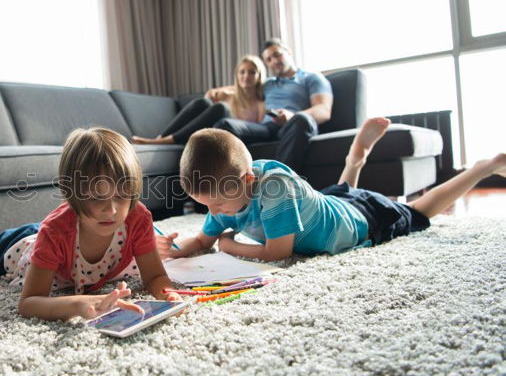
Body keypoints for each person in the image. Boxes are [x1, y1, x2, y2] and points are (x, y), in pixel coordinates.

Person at [156, 119, 506, 262]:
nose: (214, 213)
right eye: (206, 206)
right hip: (327, 205)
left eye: (217, 205)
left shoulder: (276, 192)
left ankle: (480, 168)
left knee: (419, 211)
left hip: (360, 222)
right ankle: (356, 159)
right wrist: (172, 251)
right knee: (337, 194)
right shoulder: (225, 195)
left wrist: (229, 245)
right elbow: (202, 240)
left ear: (248, 182)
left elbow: (278, 253)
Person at [0, 127, 181, 321]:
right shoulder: (55, 232)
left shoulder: (137, 217)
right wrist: (82, 304)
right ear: (72, 194)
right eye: (96, 198)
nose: (111, 210)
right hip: (25, 245)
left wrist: (167, 293)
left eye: (121, 196)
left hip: (62, 236)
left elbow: (155, 275)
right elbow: (29, 302)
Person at [213, 38, 333, 173]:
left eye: (277, 55)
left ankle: (278, 182)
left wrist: (292, 116)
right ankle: (225, 187)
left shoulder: (311, 78)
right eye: (269, 59)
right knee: (224, 125)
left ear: (288, 52)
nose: (274, 61)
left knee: (301, 119)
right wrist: (218, 92)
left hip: (295, 125)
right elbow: (242, 85)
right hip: (267, 127)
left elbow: (324, 110)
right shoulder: (267, 83)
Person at [131, 55, 268, 145]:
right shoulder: (228, 95)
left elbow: (258, 130)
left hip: (232, 136)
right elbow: (208, 96)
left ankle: (165, 141)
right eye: (242, 72)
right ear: (237, 75)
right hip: (209, 131)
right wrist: (230, 89)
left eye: (252, 72)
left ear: (259, 75)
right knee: (203, 103)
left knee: (222, 108)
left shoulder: (260, 104)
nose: (246, 76)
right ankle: (160, 138)